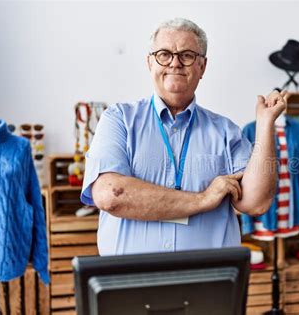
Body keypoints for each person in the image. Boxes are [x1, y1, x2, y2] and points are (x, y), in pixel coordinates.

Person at [80, 18, 287, 255]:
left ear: (202, 66)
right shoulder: (118, 120)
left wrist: (265, 123)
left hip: (209, 281)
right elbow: (110, 195)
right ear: (150, 63)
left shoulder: (226, 132)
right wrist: (203, 199)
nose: (175, 63)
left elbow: (256, 202)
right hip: (132, 284)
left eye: (187, 55)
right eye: (164, 54)